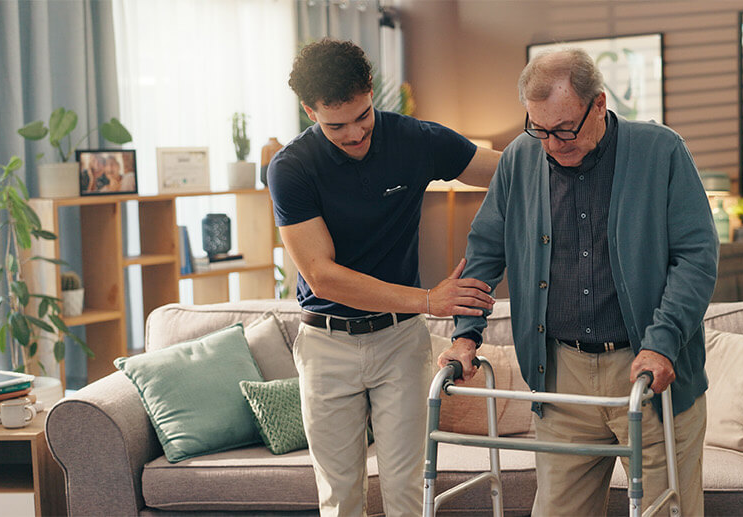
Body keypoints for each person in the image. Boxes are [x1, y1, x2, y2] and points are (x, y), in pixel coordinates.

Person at [437, 49, 718, 516]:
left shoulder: (661, 151)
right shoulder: (518, 161)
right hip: (560, 378)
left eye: (565, 129)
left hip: (646, 374)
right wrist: (465, 336)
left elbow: (696, 257)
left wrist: (663, 344)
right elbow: (485, 253)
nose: (552, 143)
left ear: (600, 105)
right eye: (539, 129)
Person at [268, 39, 501, 517]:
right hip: (326, 346)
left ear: (371, 92)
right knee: (340, 497)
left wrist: (565, 149)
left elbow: (504, 171)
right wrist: (428, 300)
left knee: (407, 490)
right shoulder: (291, 169)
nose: (355, 134)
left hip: (399, 343)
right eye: (337, 124)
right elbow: (323, 276)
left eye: (363, 115)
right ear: (310, 111)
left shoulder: (415, 139)